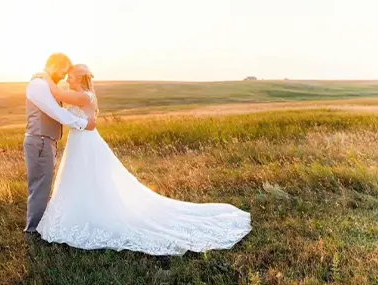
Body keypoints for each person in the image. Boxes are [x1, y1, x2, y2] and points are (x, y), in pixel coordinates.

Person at [33, 64, 252, 255]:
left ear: (80, 79)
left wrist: (43, 75)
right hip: (81, 141)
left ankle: (93, 214)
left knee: (89, 178)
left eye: (70, 76)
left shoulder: (83, 96)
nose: (67, 79)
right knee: (82, 179)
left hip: (85, 142)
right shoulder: (84, 95)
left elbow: (58, 95)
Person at [23, 53, 96, 233]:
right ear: (55, 65)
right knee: (40, 186)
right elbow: (56, 112)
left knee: (44, 184)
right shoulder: (39, 85)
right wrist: (84, 124)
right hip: (40, 141)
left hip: (45, 141)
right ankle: (34, 229)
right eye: (64, 72)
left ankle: (39, 226)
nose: (64, 76)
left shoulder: (47, 84)